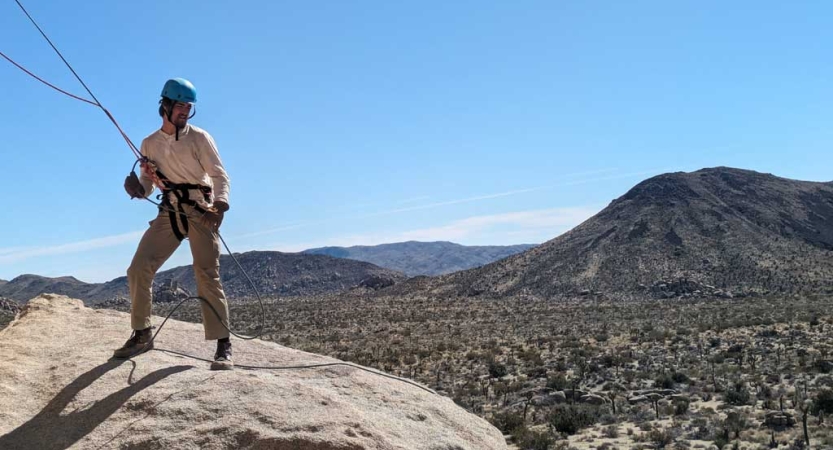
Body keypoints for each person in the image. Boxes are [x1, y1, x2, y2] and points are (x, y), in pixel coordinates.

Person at [115, 78, 233, 370]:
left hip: (200, 209)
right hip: (170, 211)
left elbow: (219, 176)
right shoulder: (149, 143)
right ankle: (142, 333)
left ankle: (223, 343)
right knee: (138, 267)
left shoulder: (200, 138)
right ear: (165, 106)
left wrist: (220, 205)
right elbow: (148, 185)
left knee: (206, 272)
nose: (185, 110)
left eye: (188, 106)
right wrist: (137, 189)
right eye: (179, 105)